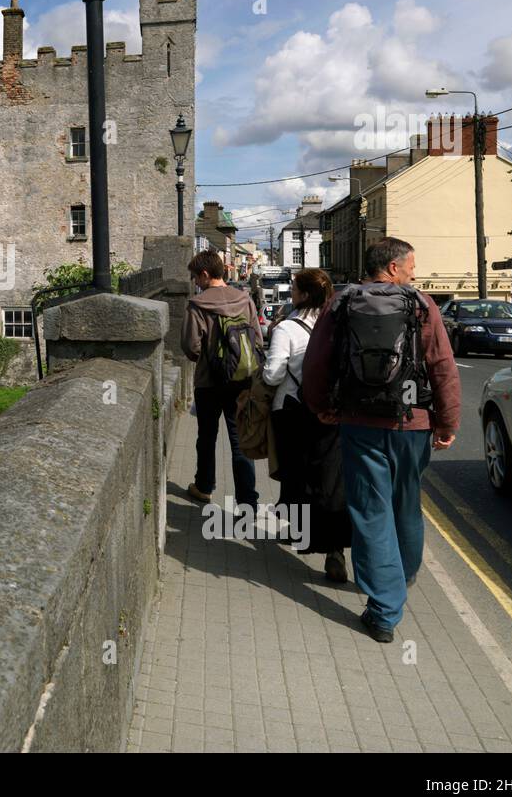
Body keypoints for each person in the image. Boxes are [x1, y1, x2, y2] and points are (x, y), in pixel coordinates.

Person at [301, 238, 460, 643]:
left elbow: (317, 360)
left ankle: (384, 610)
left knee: (371, 510)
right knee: (406, 502)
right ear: (391, 268)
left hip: (360, 421)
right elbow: (441, 366)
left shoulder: (342, 302)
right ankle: (400, 580)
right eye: (410, 266)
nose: (413, 273)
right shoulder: (421, 305)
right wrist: (447, 422)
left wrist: (320, 405)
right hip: (414, 422)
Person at [261, 268, 350, 581]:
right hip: (332, 410)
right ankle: (334, 549)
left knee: (296, 474)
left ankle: (299, 531)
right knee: (330, 478)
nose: (292, 293)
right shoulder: (338, 323)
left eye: (295, 289)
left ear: (303, 294)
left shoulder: (286, 328)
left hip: (293, 409)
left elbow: (272, 374)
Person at [181, 250, 264, 507]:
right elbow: (258, 341)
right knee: (240, 441)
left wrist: (210, 359)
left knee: (207, 436)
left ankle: (204, 487)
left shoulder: (198, 305)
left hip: (209, 382)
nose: (195, 283)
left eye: (196, 277)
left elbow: (190, 347)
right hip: (241, 382)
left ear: (205, 274)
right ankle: (247, 502)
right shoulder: (245, 299)